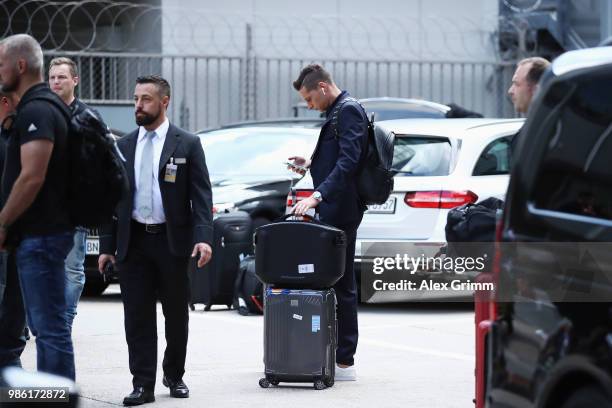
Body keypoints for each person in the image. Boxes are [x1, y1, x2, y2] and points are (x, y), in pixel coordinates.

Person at [98, 75, 213, 406]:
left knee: (176, 314)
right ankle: (142, 384)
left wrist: (203, 238)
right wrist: (108, 246)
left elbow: (202, 197)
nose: (138, 105)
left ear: (164, 102)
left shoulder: (187, 144)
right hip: (134, 242)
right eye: (135, 99)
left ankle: (174, 374)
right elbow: (114, 200)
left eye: (145, 99)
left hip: (172, 242)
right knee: (137, 316)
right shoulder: (124, 146)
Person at [0, 34, 75, 379]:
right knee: (48, 328)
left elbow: (32, 177)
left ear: (19, 65)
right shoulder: (38, 106)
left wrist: (3, 223)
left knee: (49, 330)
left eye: (1, 64)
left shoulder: (38, 109)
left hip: (42, 236)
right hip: (37, 236)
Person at [289, 64, 367, 381]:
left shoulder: (348, 111)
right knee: (334, 281)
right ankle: (334, 352)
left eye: (309, 98)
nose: (309, 105)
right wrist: (310, 164)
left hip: (342, 210)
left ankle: (345, 358)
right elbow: (338, 157)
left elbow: (350, 161)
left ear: (322, 87)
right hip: (335, 208)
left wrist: (316, 196)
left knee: (343, 282)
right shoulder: (337, 112)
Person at [48, 56, 106, 331]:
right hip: (42, 208)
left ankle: (64, 322)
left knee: (72, 270)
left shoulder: (89, 117)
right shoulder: (42, 112)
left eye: (61, 77)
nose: (56, 81)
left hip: (74, 209)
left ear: (75, 80)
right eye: (52, 77)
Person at [507, 57, 550, 160]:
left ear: (536, 90)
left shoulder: (537, 136)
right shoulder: (557, 128)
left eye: (516, 84)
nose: (510, 91)